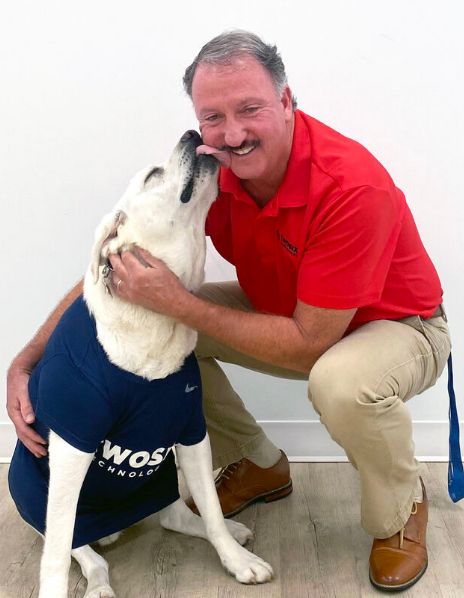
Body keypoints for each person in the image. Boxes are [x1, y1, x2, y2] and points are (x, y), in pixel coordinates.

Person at [7, 30, 451, 591]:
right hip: (287, 309)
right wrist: (27, 359)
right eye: (212, 116)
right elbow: (120, 270)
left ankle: (400, 508)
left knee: (339, 382)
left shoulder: (351, 188)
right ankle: (259, 463)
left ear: (287, 102)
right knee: (162, 321)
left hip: (399, 326)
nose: (232, 133)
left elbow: (313, 343)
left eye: (250, 108)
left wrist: (183, 304)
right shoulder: (220, 174)